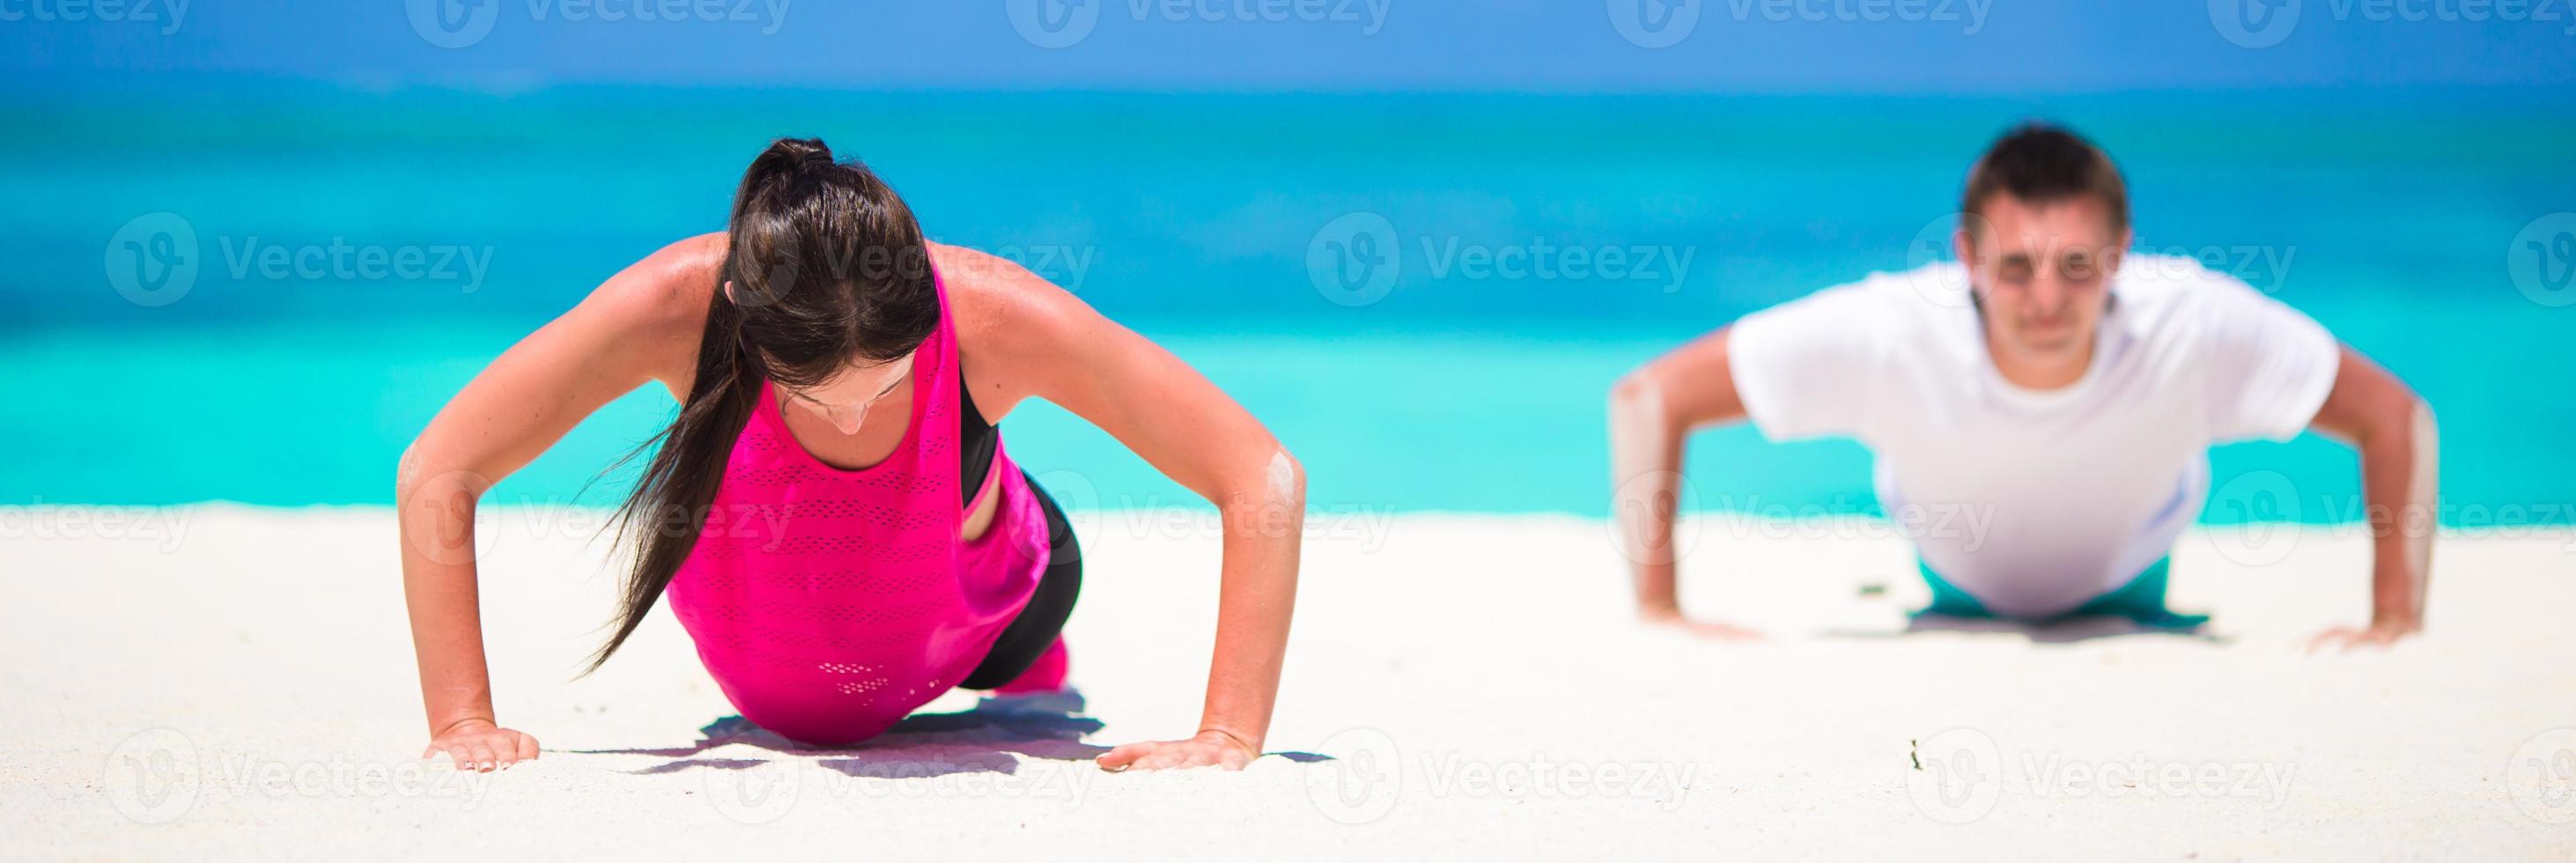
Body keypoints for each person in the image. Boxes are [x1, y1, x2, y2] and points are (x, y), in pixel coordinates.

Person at [397, 137, 1303, 772]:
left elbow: (1260, 473)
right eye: (813, 397)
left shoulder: (996, 315)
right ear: (741, 318)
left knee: (1021, 644)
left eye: (886, 382)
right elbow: (441, 467)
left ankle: (1034, 668)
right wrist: (462, 717)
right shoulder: (675, 308)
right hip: (779, 654)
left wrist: (1228, 730)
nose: (854, 417)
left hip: (991, 610)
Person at [1607, 122, 2436, 649]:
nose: (2045, 300)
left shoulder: (2193, 320)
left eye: (2076, 268)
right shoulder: (1892, 328)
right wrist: (1660, 610)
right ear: (1966, 259)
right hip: (1951, 587)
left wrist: (2393, 617)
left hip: (2134, 585)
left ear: (2119, 256)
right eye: (2015, 268)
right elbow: (1649, 397)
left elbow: (2393, 416)